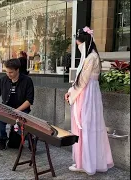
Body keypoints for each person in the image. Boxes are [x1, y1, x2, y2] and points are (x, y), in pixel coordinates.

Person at [64, 26, 114, 175]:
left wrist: (70, 93)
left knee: (83, 127)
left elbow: (83, 80)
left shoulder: (90, 57)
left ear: (83, 43)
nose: (77, 46)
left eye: (78, 43)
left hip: (85, 95)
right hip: (89, 94)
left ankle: (86, 164)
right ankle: (90, 162)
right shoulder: (92, 56)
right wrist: (71, 91)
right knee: (91, 128)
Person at [0, 59, 34, 150]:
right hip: (6, 108)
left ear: (17, 70)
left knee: (20, 129)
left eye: (11, 72)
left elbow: (29, 100)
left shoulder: (27, 80)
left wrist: (17, 110)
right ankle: (3, 139)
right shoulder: (3, 80)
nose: (8, 74)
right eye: (6, 72)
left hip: (21, 109)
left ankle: (30, 138)